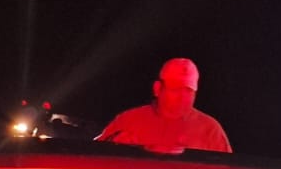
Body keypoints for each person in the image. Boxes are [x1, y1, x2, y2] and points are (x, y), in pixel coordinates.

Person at [95, 57, 231, 154]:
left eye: (188, 91)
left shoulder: (211, 131)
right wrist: (113, 147)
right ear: (157, 88)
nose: (183, 97)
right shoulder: (128, 121)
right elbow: (95, 156)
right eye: (176, 89)